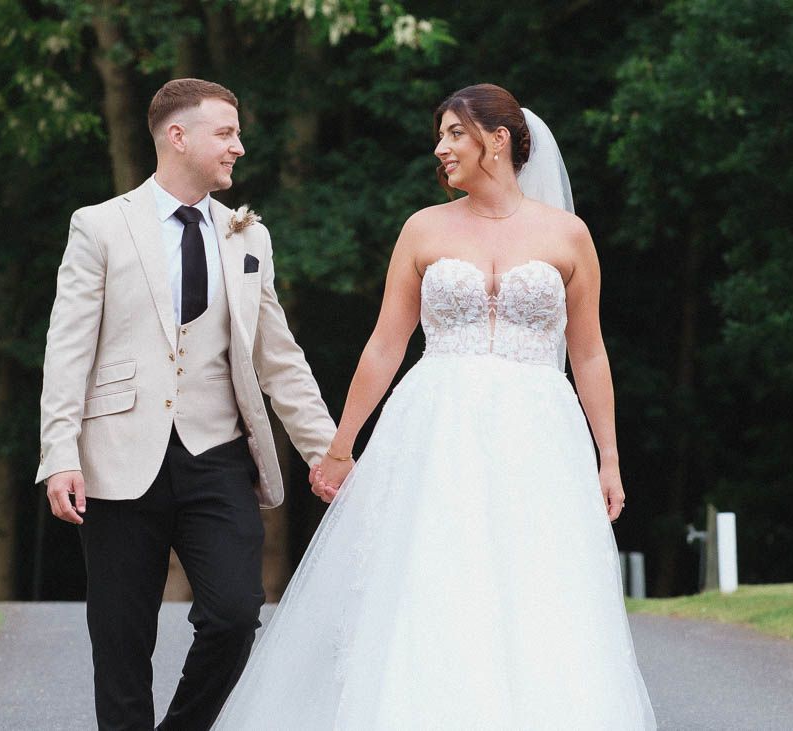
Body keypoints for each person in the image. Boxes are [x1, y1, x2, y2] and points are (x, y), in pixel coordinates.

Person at [212, 83, 656, 729]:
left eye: (454, 133)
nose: (440, 147)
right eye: (440, 134)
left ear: (498, 141)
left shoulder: (569, 235)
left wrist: (609, 457)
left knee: (540, 590)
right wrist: (341, 444)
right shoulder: (423, 228)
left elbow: (588, 354)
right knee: (435, 585)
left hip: (540, 436)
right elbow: (387, 344)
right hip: (437, 428)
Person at [35, 78, 339, 731]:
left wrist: (328, 451)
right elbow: (68, 349)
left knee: (233, 614)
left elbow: (279, 357)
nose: (239, 146)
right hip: (117, 459)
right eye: (225, 133)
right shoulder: (100, 226)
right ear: (179, 136)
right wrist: (60, 454)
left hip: (219, 457)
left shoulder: (248, 237)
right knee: (120, 638)